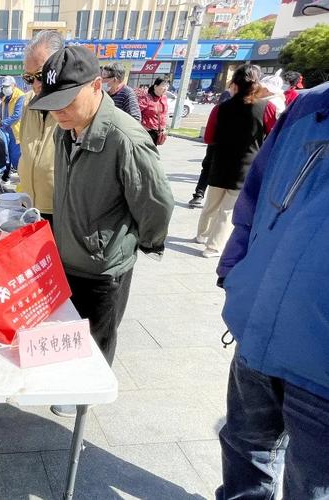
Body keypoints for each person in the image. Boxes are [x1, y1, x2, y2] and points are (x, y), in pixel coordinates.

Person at [29, 46, 174, 417]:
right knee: (69, 330)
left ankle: (86, 395)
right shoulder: (67, 129)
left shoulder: (125, 139)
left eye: (66, 100)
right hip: (67, 252)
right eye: (52, 101)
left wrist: (133, 244)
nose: (58, 111)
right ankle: (70, 383)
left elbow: (156, 202)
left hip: (103, 264)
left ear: (97, 86)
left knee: (97, 336)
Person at [215, 81, 329, 500]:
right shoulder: (309, 107)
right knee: (245, 451)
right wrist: (235, 274)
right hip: (258, 327)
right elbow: (253, 198)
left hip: (321, 366)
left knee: (310, 486)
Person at [195, 64, 277, 259]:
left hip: (220, 162)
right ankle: (213, 247)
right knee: (227, 209)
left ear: (235, 83)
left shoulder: (220, 108)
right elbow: (274, 137)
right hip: (246, 165)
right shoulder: (267, 108)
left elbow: (208, 138)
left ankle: (201, 234)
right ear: (257, 84)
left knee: (212, 203)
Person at [18, 30, 63, 226]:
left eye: (41, 75)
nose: (35, 84)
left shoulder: (71, 108)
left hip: (60, 210)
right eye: (29, 78)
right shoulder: (28, 103)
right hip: (29, 205)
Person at [188, 83, 237, 209]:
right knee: (209, 169)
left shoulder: (223, 105)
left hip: (219, 145)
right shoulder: (255, 106)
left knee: (209, 170)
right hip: (225, 147)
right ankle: (200, 195)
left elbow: (208, 136)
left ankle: (199, 195)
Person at [0, 75, 25, 171]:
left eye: (7, 86)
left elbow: (17, 115)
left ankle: (21, 177)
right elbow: (0, 113)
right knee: (6, 155)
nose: (5, 88)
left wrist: (1, 123)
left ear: (14, 85)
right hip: (5, 131)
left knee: (16, 156)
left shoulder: (20, 96)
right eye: (4, 87)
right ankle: (7, 175)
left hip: (15, 132)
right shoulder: (5, 97)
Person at [138, 77, 170, 145]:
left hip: (158, 133)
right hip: (146, 132)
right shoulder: (146, 98)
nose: (166, 88)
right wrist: (142, 125)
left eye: (167, 86)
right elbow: (135, 113)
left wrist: (164, 127)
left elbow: (164, 114)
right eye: (164, 85)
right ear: (155, 86)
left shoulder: (164, 98)